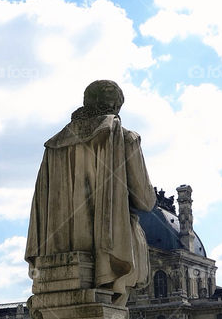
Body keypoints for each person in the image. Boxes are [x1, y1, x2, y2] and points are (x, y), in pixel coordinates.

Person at [26, 80, 152, 305]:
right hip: (104, 262)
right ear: (115, 106)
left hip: (56, 263)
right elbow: (144, 200)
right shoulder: (125, 138)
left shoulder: (54, 146)